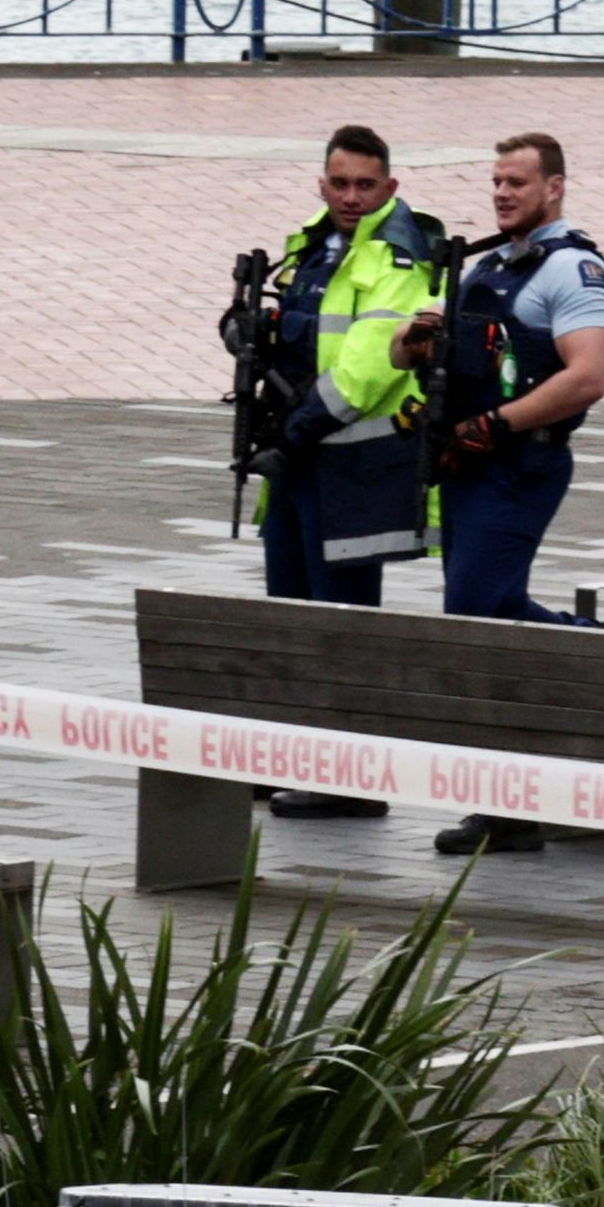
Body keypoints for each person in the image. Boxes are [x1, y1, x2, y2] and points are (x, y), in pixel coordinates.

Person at [405, 131, 604, 857]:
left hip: (519, 465)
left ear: (554, 189)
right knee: (491, 618)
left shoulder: (576, 270)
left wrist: (493, 426)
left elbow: (585, 377)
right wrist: (421, 342)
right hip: (470, 466)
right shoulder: (488, 265)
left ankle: (509, 802)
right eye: (497, 182)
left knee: (474, 618)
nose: (502, 194)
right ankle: (597, 664)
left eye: (518, 184)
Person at [254, 125, 446, 821]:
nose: (351, 197)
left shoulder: (398, 255)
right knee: (293, 613)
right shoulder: (309, 243)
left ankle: (350, 780)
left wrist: (298, 431)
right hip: (299, 462)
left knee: (343, 624)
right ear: (321, 183)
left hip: (354, 462)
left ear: (390, 188)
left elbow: (368, 364)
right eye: (339, 183)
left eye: (366, 185)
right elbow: (298, 331)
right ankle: (292, 759)